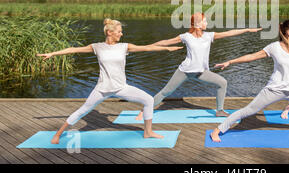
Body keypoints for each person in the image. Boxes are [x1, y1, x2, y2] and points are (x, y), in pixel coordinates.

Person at [37, 18, 183, 144]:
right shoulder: (97, 47)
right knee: (82, 111)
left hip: (121, 87)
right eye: (119, 31)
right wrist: (52, 53)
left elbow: (146, 48)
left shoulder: (124, 47)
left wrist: (165, 49)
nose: (121, 34)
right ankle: (57, 135)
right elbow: (73, 49)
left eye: (121, 31)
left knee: (148, 100)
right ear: (109, 32)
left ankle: (148, 132)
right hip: (102, 89)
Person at [135, 12, 262, 120]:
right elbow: (166, 42)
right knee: (166, 92)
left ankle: (219, 111)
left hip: (201, 72)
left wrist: (247, 29)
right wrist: (146, 47)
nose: (206, 23)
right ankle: (145, 111)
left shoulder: (209, 36)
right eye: (204, 21)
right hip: (184, 72)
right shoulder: (186, 37)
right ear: (197, 24)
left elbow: (229, 33)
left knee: (222, 82)